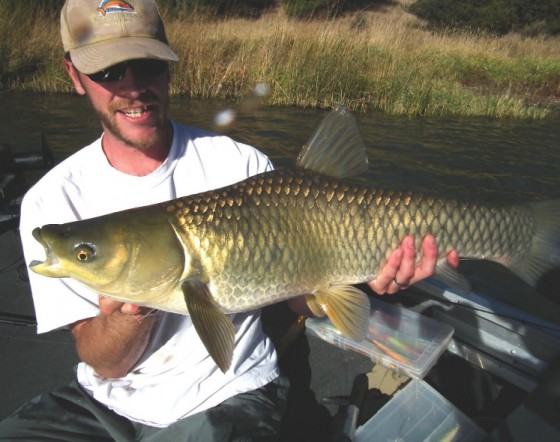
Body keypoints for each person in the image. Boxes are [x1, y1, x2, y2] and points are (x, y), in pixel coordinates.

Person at [0, 0, 459, 440]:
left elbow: (294, 299)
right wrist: (132, 307)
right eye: (107, 72)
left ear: (168, 65)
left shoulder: (240, 164)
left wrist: (365, 278)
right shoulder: (52, 200)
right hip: (105, 400)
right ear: (74, 75)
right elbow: (104, 362)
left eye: (148, 65)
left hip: (229, 392)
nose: (132, 86)